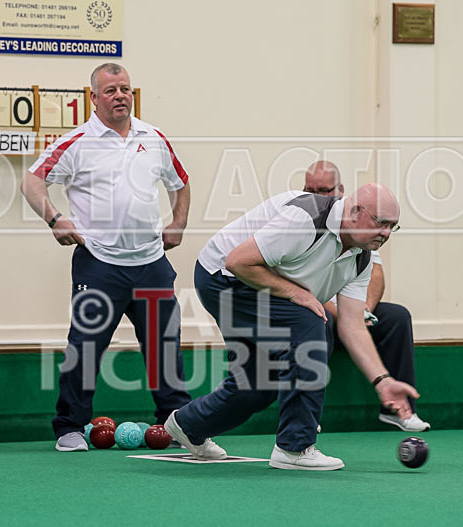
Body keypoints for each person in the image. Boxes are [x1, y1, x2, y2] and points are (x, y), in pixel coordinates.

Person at [165, 183, 420, 470]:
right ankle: (294, 446)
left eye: (392, 227)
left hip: (259, 286)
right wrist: (296, 293)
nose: (386, 234)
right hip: (224, 277)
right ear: (355, 211)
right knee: (311, 323)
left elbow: (352, 326)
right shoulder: (305, 219)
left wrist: (382, 381)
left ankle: (188, 425)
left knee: (257, 386)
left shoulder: (361, 258)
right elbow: (239, 261)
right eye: (381, 223)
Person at [22, 63, 193, 452]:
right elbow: (31, 181)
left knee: (165, 348)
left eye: (126, 89)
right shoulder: (77, 141)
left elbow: (181, 183)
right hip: (98, 264)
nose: (120, 96)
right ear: (93, 98)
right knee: (85, 348)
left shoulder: (154, 137)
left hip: (151, 262)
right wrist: (54, 218)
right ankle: (69, 426)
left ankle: (179, 424)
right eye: (111, 90)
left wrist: (179, 222)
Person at [303, 160, 430, 432]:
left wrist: (365, 311)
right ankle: (306, 418)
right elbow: (305, 290)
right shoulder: (305, 224)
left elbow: (374, 275)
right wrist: (347, 317)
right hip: (319, 310)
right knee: (316, 319)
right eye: (309, 189)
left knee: (396, 316)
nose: (316, 195)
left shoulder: (360, 224)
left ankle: (399, 410)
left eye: (323, 190)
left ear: (340, 190)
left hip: (353, 312)